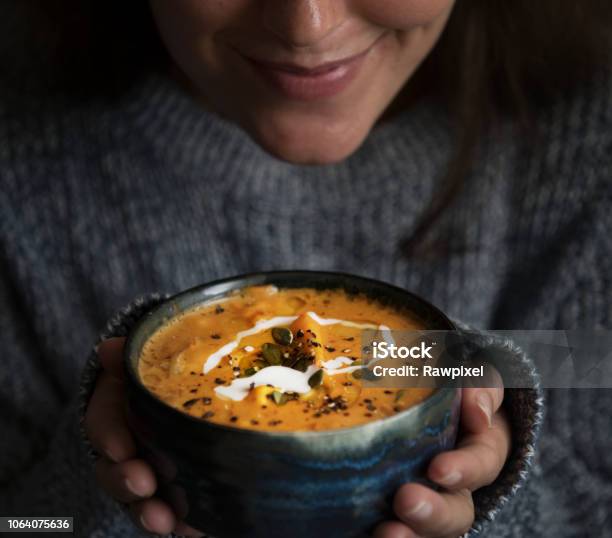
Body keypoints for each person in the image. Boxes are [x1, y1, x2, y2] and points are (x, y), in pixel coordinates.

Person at [0, 1, 610, 536]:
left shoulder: (587, 138)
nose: (307, 26)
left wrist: (492, 503)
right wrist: (111, 483)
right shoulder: (20, 147)